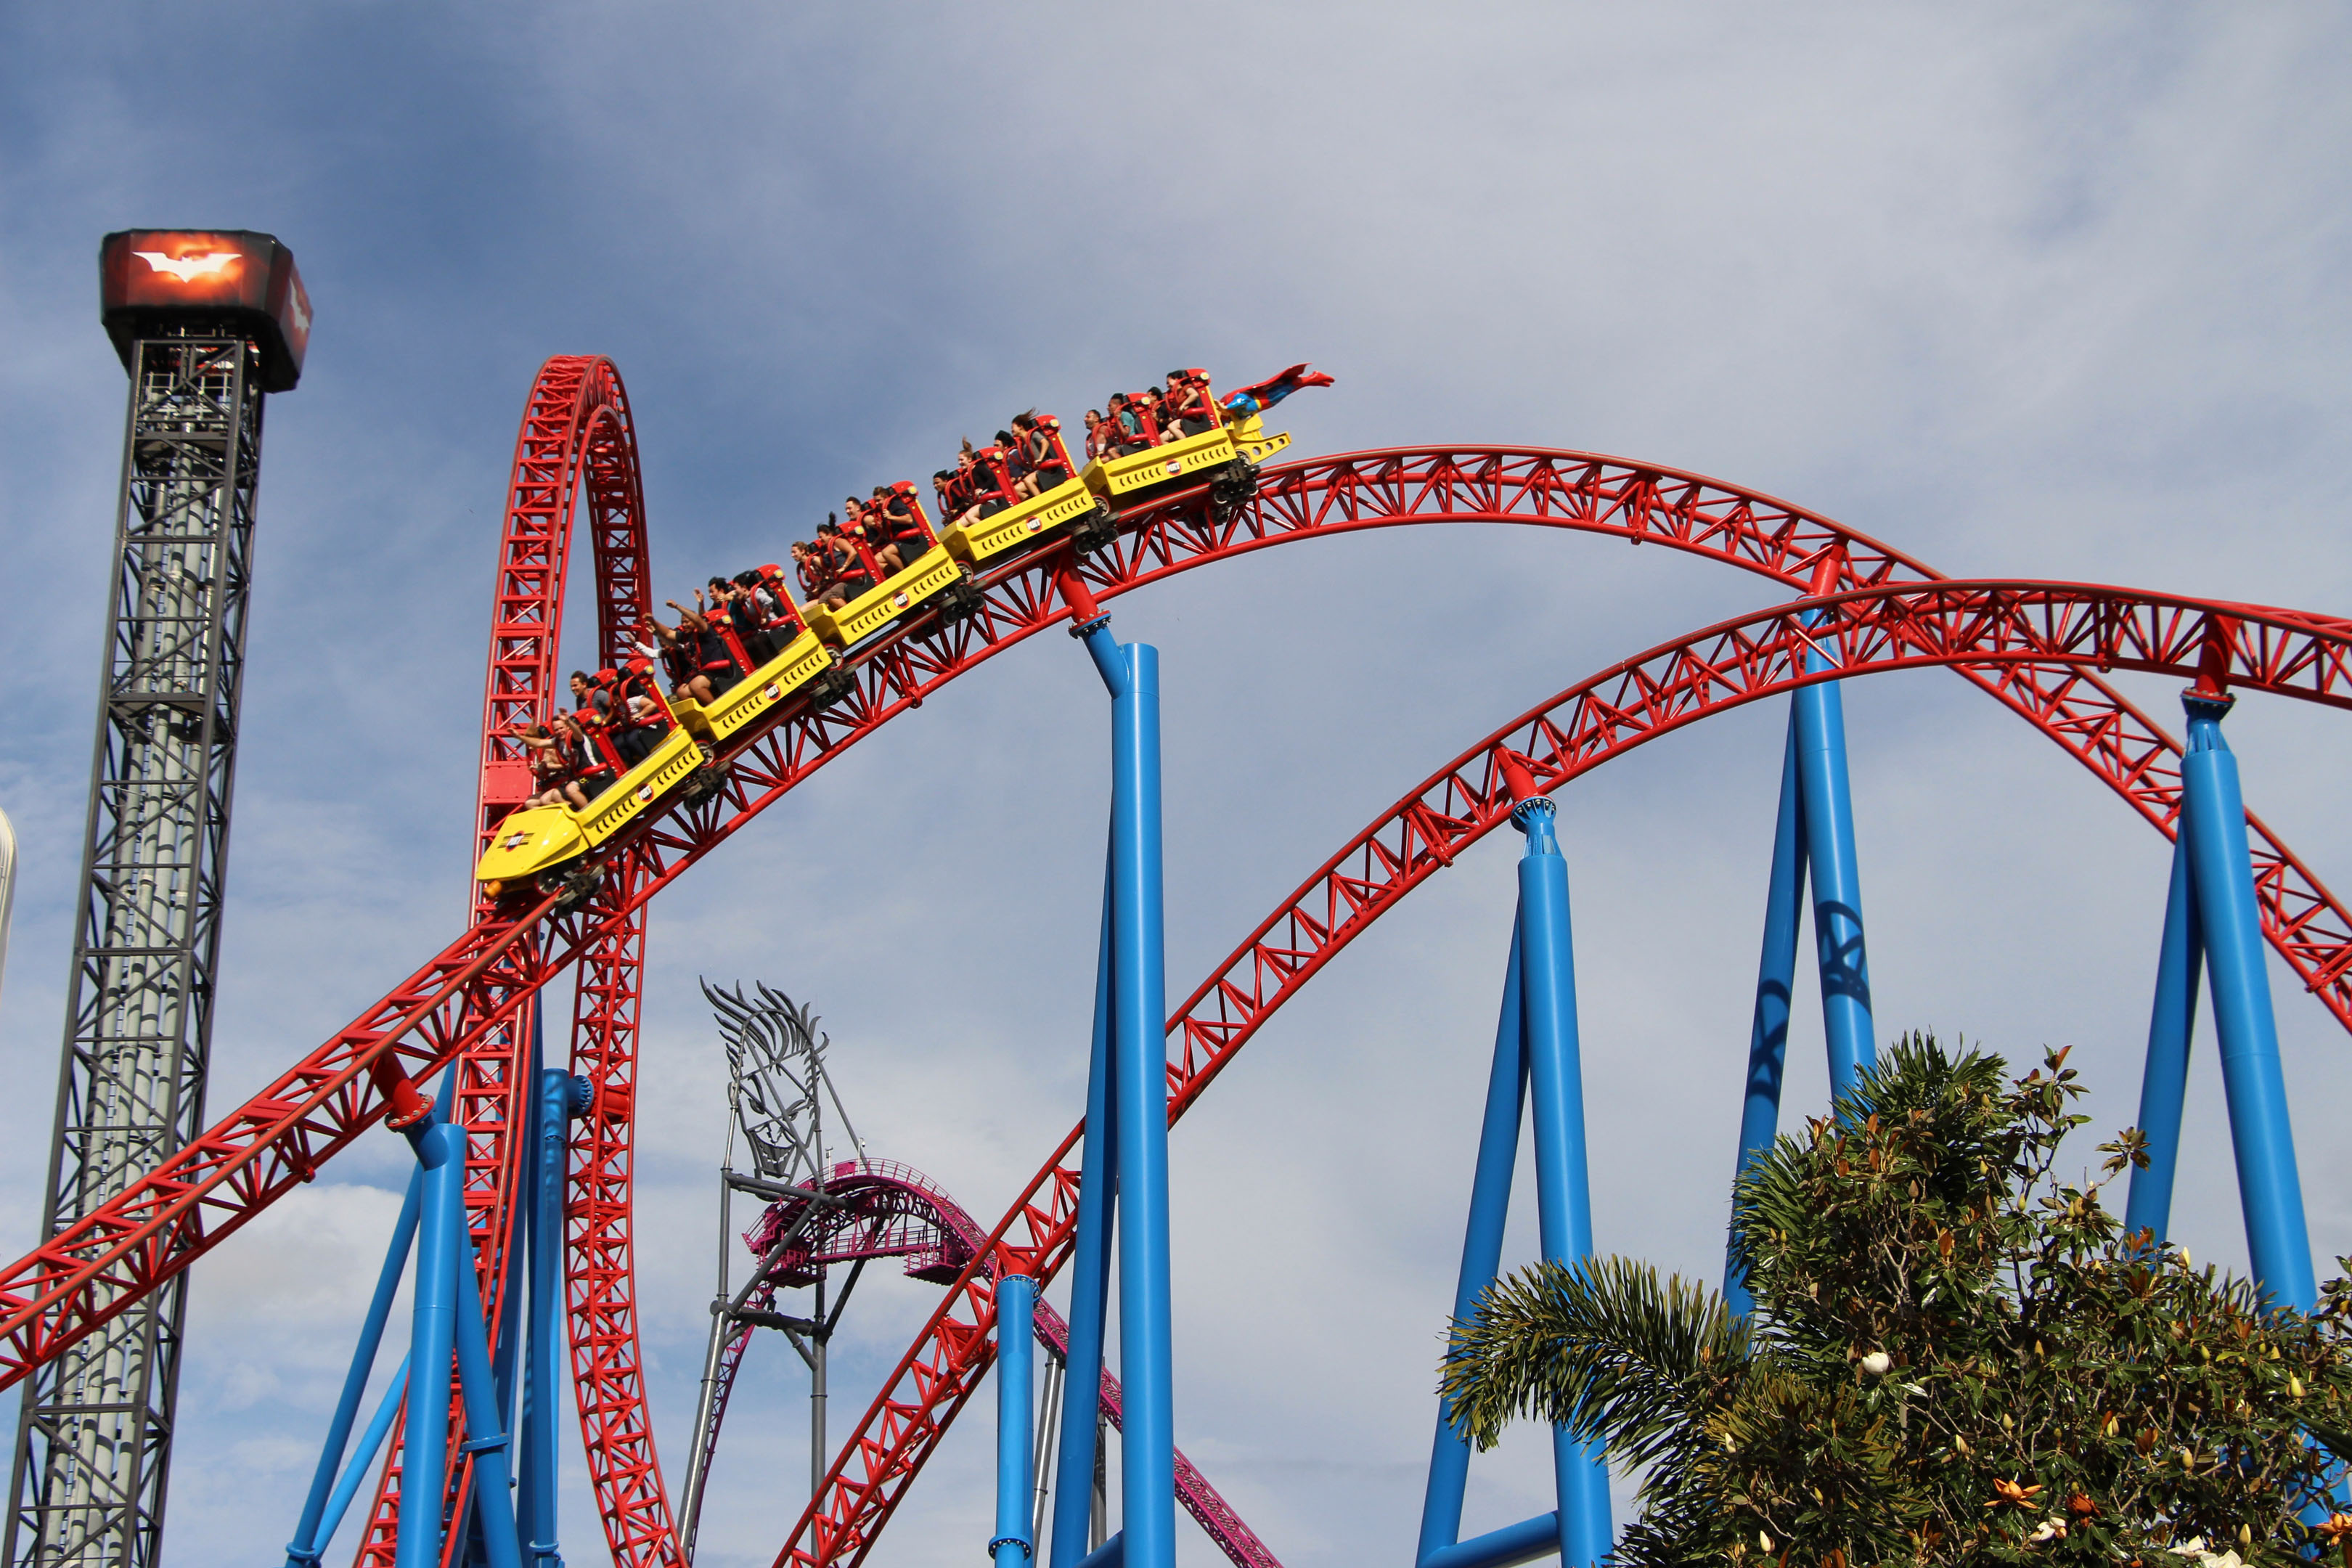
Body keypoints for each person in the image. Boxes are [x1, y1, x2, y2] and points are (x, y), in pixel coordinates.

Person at [515, 720, 589, 810]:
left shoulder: (551, 748)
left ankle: (575, 810)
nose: (530, 747)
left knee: (546, 800)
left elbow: (565, 765)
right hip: (550, 785)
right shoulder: (539, 753)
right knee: (529, 803)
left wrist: (548, 766)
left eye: (530, 744)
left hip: (564, 782)